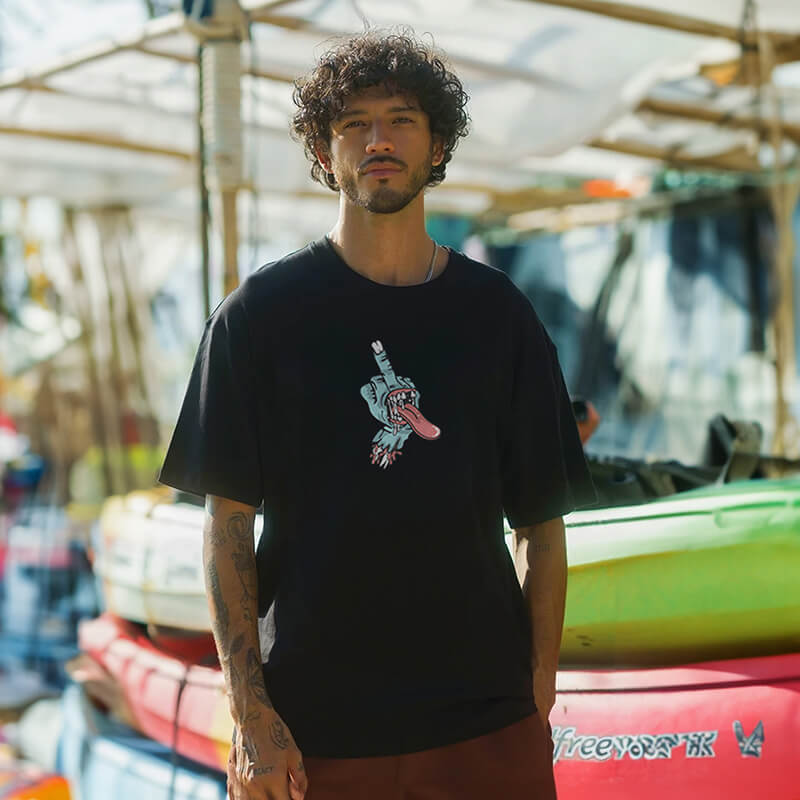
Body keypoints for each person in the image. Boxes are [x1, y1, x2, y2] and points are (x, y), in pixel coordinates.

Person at [160, 30, 596, 800]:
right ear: (324, 153)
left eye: (401, 120)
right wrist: (250, 713)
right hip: (317, 731)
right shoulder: (258, 317)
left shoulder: (499, 315)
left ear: (438, 147)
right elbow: (226, 527)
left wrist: (538, 692)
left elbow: (541, 523)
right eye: (354, 124)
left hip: (485, 725)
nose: (379, 140)